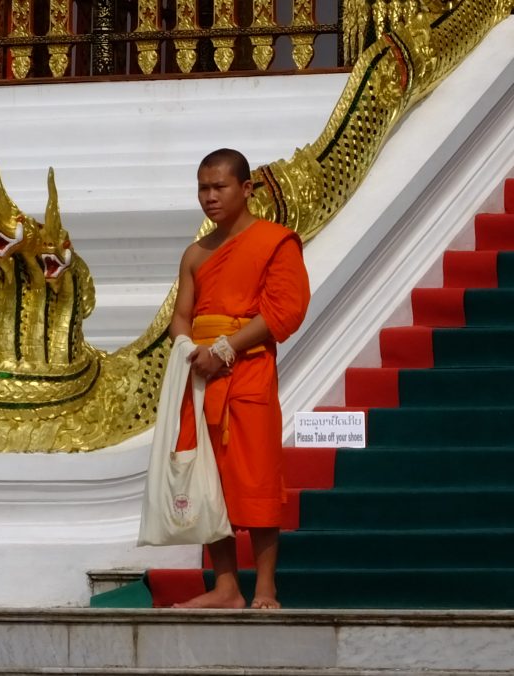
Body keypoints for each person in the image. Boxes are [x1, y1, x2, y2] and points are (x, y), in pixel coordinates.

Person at [169, 148, 311, 609]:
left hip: (246, 371)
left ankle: (265, 586)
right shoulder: (196, 252)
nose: (209, 197)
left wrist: (226, 349)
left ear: (246, 189)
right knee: (209, 482)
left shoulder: (275, 241)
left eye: (219, 187)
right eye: (202, 188)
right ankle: (226, 586)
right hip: (202, 377)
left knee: (256, 478)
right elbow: (181, 315)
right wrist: (189, 350)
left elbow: (285, 311)